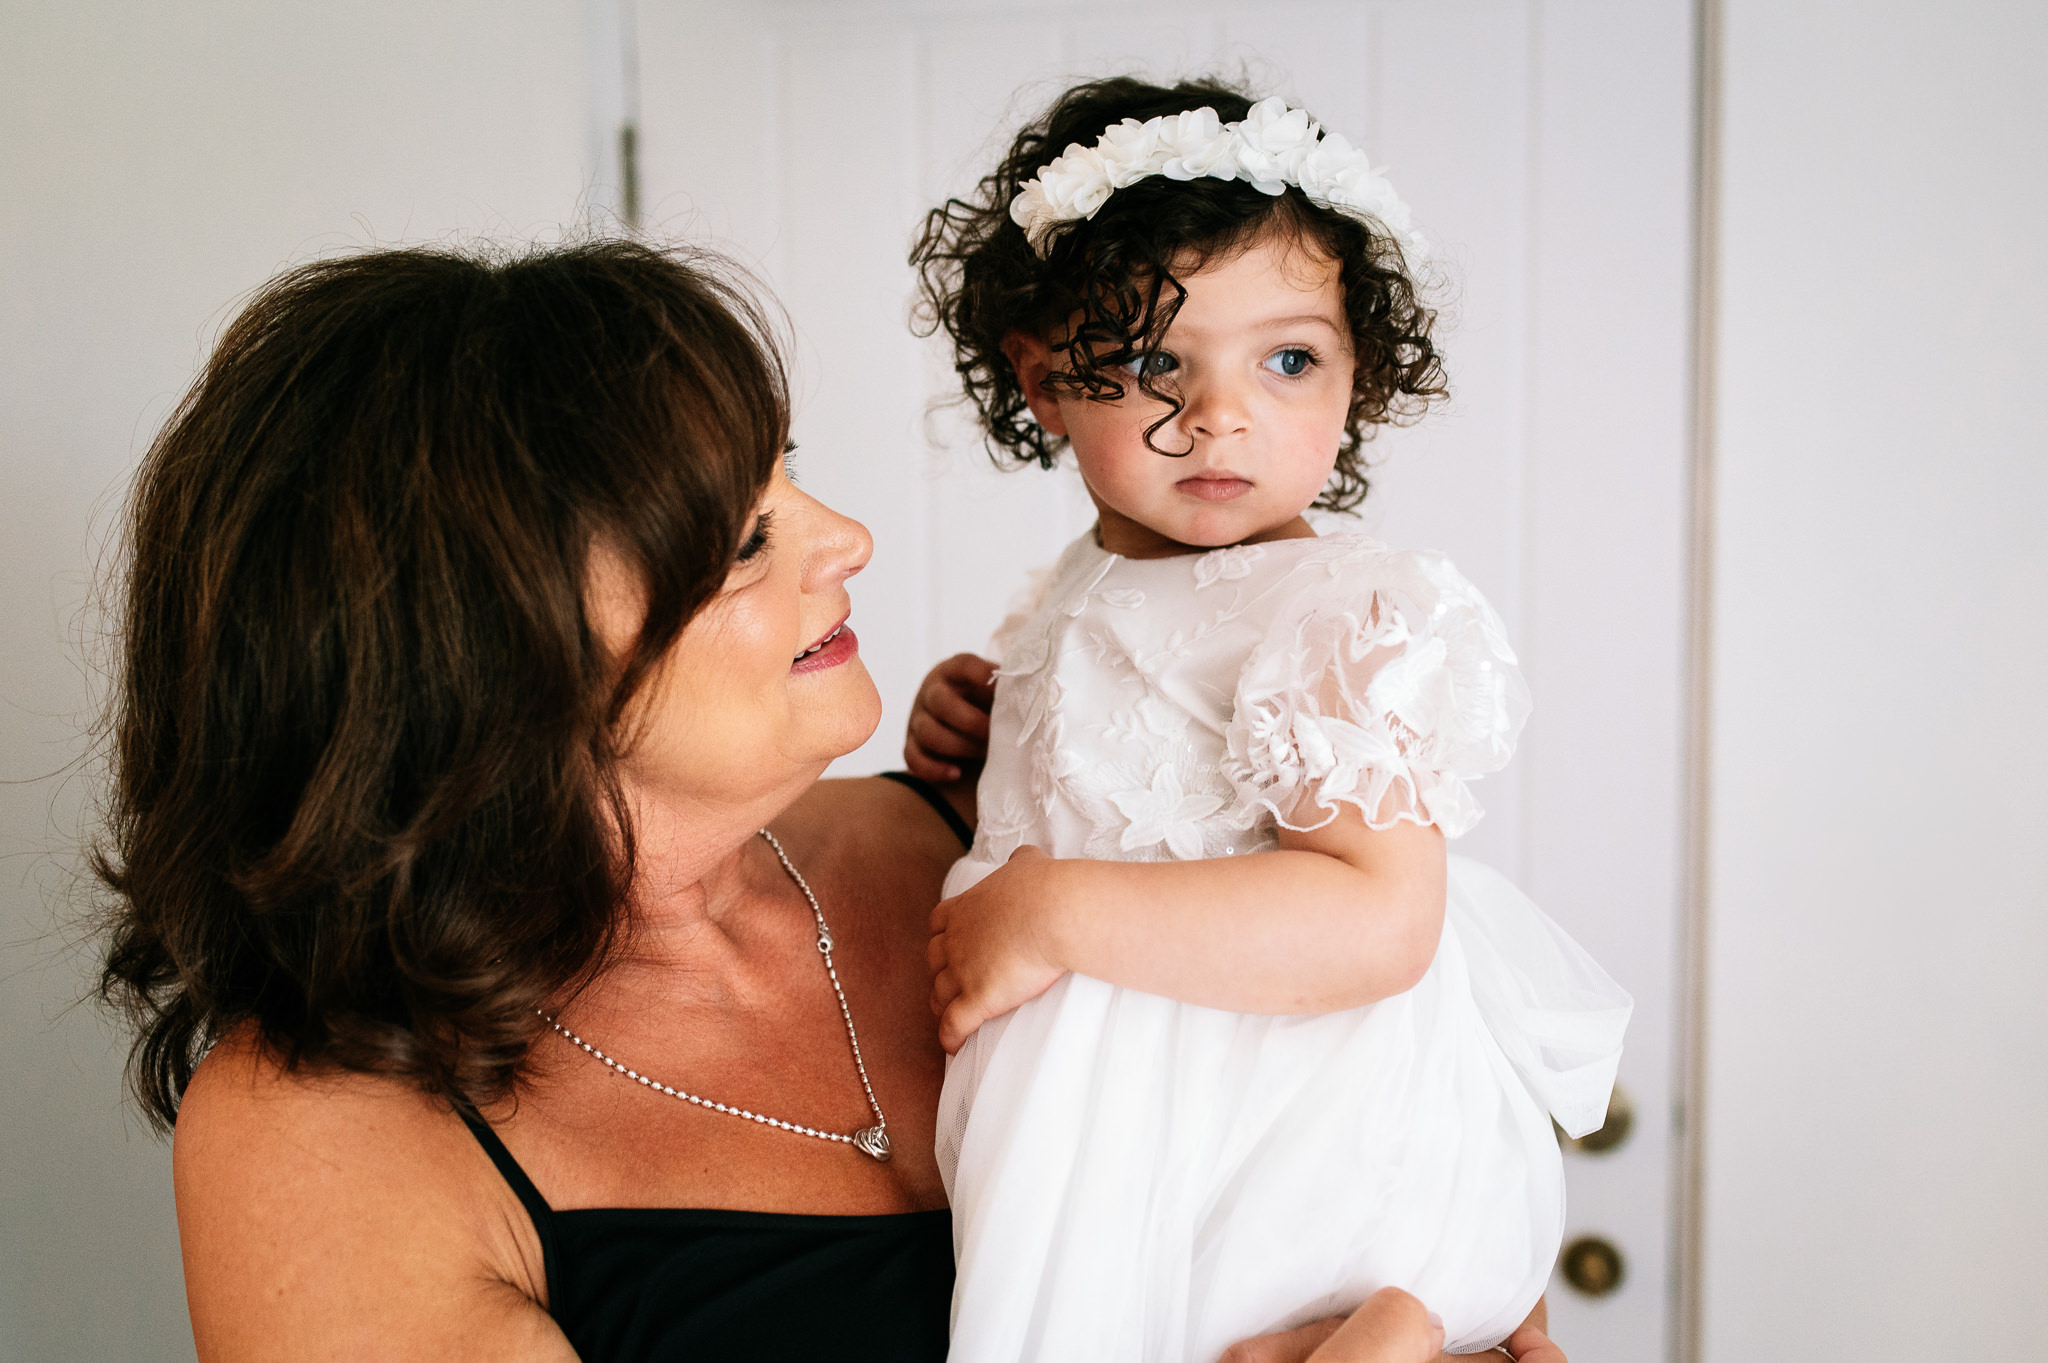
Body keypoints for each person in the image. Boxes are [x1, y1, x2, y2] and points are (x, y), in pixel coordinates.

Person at [93, 239, 1566, 1362]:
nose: (848, 538)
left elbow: (1395, 1157)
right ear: (478, 655)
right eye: (744, 536)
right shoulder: (328, 1122)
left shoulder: (976, 834)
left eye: (794, 477)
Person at [904, 78, 1634, 1360]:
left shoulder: (1336, 615)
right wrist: (981, 730)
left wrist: (1052, 909)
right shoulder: (1082, 593)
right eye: (1149, 364)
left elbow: (1373, 919)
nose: (1219, 413)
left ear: (1356, 373)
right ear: (1042, 381)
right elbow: (1123, 789)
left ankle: (1394, 1320)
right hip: (1116, 1117)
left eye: (1286, 359)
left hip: (1285, 1126)